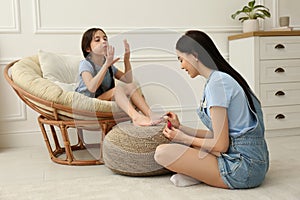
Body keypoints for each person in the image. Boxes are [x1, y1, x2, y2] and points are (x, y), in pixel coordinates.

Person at [154, 30, 269, 189]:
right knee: (192, 145)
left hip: (243, 167)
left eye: (181, 59)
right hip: (251, 160)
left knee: (162, 153)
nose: (181, 66)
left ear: (194, 55)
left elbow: (221, 145)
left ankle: (201, 175)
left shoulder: (217, 84)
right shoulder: (220, 78)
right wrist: (181, 128)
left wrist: (183, 138)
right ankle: (201, 174)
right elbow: (219, 134)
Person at [75, 28, 160, 126]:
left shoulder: (108, 64)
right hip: (88, 101)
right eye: (97, 40)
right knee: (117, 89)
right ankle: (136, 117)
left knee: (131, 85)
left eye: (105, 39)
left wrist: (126, 60)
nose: (103, 42)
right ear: (88, 49)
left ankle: (151, 114)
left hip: (101, 97)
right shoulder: (86, 64)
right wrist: (106, 65)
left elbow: (128, 80)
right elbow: (91, 87)